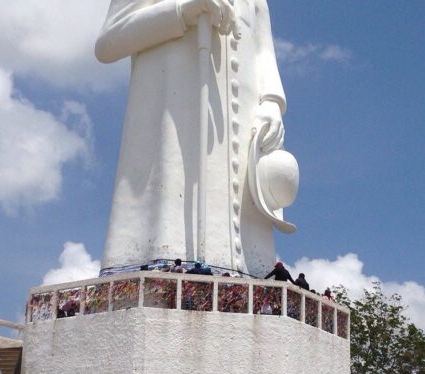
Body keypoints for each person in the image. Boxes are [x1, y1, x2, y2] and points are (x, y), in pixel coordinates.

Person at [96, 0, 297, 277]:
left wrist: (272, 101)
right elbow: (108, 43)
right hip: (173, 124)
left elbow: (263, 50)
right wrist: (181, 11)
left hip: (246, 130)